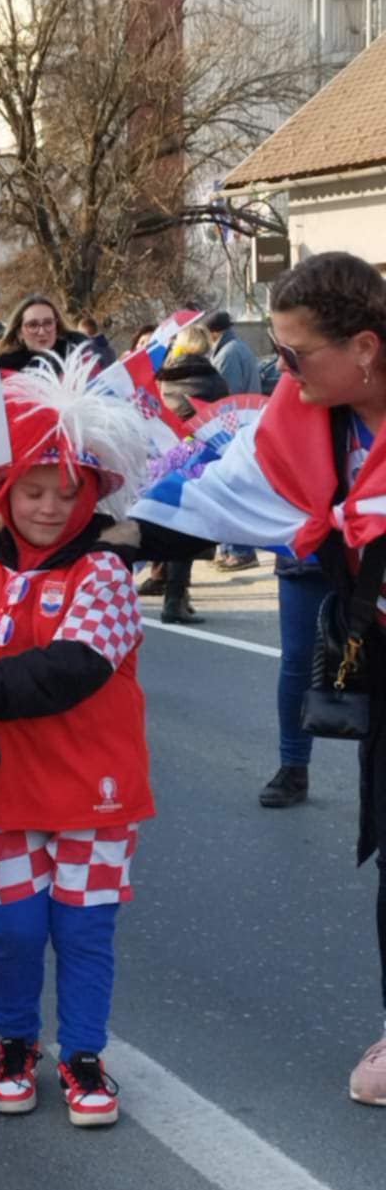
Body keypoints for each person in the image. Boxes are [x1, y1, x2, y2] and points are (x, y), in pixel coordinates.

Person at [106, 252, 386, 1103]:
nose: (283, 373)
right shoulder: (305, 420)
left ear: (365, 347)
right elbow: (212, 499)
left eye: (296, 354)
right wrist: (90, 533)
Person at [0, 348, 154, 1127]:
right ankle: (15, 1045)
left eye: (68, 491)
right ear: (2, 490)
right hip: (10, 784)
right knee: (18, 929)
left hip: (95, 785)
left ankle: (83, 1056)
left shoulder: (105, 574)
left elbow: (67, 672)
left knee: (83, 929)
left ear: (92, 494)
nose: (51, 507)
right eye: (34, 489)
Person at [150, 323, 230, 624]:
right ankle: (175, 599)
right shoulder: (213, 380)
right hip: (199, 457)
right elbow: (223, 418)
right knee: (190, 528)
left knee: (169, 523)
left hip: (166, 456)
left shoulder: (163, 379)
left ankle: (177, 594)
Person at [261, 555, 330, 808]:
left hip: (373, 556)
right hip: (306, 557)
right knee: (298, 661)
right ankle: (293, 767)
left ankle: (375, 782)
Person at [204, 311, 263, 570]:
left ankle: (241, 550)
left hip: (233, 430)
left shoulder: (228, 354)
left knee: (233, 491)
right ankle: (232, 548)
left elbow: (228, 398)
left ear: (213, 332)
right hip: (241, 427)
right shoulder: (237, 347)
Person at [0, 294, 88, 373]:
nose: (42, 332)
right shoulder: (2, 370)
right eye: (32, 325)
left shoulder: (83, 356)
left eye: (48, 323)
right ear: (19, 333)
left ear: (57, 326)